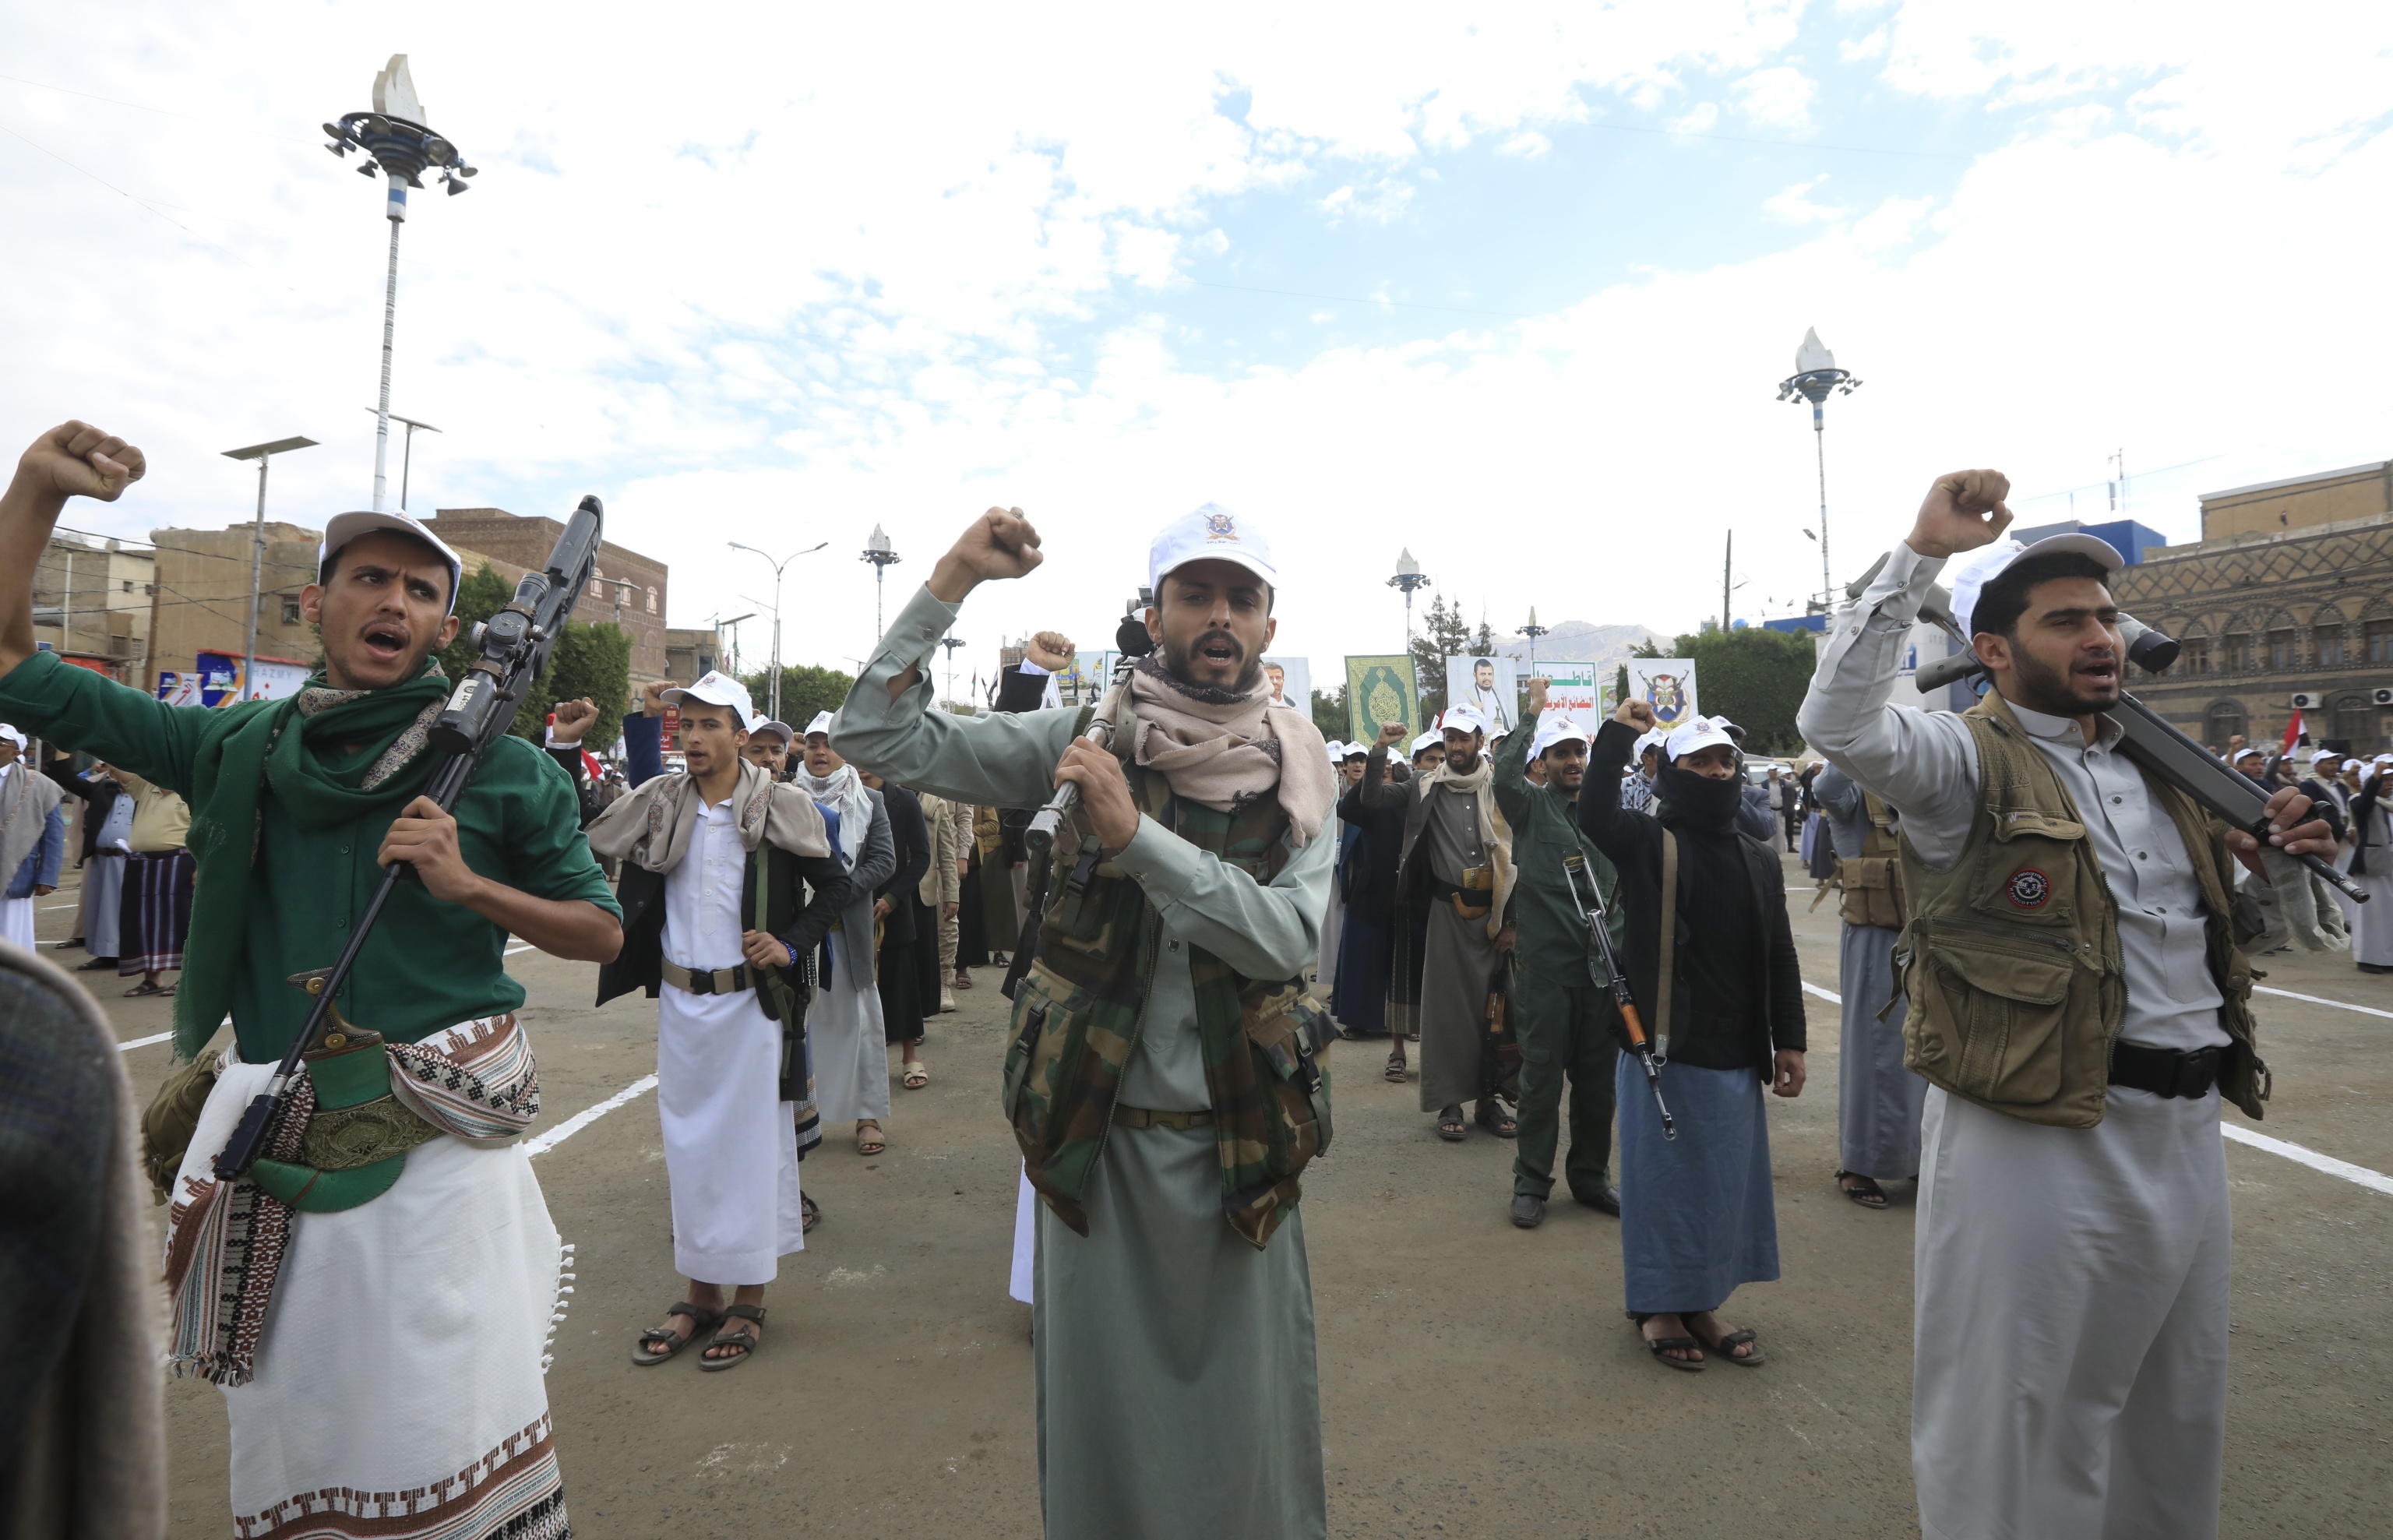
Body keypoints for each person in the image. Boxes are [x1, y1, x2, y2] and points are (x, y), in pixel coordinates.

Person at [0, 421, 624, 1538]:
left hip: (439, 1168)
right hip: (281, 1155)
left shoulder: (507, 768)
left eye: (422, 589)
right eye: (370, 578)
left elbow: (600, 932)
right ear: (314, 606)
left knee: (448, 1437)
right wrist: (35, 494)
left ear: (447, 623)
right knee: (300, 1435)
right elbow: (10, 668)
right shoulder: (234, 744)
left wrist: (469, 885)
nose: (396, 602)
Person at [1796, 469, 2335, 1540]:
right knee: (2019, 1420)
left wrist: (2286, 862)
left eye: (2106, 617)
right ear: (1994, 651)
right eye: (2065, 621)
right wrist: (1921, 552)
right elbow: (1840, 723)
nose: (2101, 637)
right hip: (2035, 1140)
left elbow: (2251, 935)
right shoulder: (1959, 761)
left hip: (2185, 1132)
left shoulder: (2165, 770)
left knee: (2174, 1418)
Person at [832, 502, 1336, 1540]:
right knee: (1104, 1447)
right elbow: (874, 734)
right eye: (1195, 593)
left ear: (1269, 628)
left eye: (1241, 597)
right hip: (1093, 1153)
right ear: (1154, 615)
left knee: (1248, 1453)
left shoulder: (1298, 771)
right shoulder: (1083, 738)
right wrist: (952, 579)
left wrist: (1139, 838)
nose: (1218, 615)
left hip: (1239, 1150)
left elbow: (1285, 939)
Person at [584, 672, 850, 1370]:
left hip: (751, 1009)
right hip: (682, 1007)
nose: (695, 737)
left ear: (742, 733)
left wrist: (790, 943)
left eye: (710, 725)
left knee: (753, 1148)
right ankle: (701, 1292)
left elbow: (841, 886)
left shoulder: (780, 807)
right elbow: (594, 825)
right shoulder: (661, 804)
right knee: (690, 1148)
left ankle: (750, 1295)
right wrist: (637, 721)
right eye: (685, 725)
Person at [1581, 702, 1805, 1370]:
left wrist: (1788, 1039)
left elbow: (1780, 950)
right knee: (1664, 1187)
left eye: (1724, 761)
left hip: (1735, 1053)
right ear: (1668, 774)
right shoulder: (1650, 844)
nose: (1715, 772)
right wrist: (1620, 731)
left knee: (1721, 1187)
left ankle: (1702, 1302)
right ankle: (1657, 1308)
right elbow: (1593, 814)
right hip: (1665, 1052)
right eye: (1698, 762)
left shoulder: (1759, 858)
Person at [1495, 682, 1622, 1227]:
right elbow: (1501, 773)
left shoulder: (1607, 814)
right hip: (1546, 970)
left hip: (1601, 972)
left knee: (1598, 1083)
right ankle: (1531, 1183)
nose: (1573, 761)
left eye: (1579, 752)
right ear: (1541, 764)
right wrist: (1532, 713)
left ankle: (1591, 1177)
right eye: (1560, 753)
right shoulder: (1528, 808)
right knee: (1541, 1080)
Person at [1373, 702, 1518, 1142]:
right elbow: (1371, 800)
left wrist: (1511, 921)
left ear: (1478, 741)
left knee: (1497, 1013)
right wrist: (1380, 750)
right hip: (1447, 915)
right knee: (1448, 1014)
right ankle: (1450, 1101)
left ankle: (1491, 1101)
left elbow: (1519, 857)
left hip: (1496, 919)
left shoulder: (1503, 789)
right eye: (1449, 739)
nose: (1455, 747)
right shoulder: (1423, 785)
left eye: (1463, 738)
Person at [1810, 762, 1923, 1208]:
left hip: (1929, 936)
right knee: (1877, 1052)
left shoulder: (1919, 801)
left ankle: (1916, 1156)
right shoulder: (1854, 801)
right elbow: (1827, 784)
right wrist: (1863, 732)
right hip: (1877, 941)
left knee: (1928, 1051)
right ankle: (1859, 1163)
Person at [795, 710, 899, 1154]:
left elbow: (884, 860)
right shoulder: (783, 797)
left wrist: (837, 892)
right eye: (814, 744)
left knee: (860, 1025)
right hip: (798, 935)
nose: (820, 753)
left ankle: (867, 1116)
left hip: (846, 934)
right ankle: (800, 1120)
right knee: (801, 1025)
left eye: (829, 745)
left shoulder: (869, 801)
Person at [1334, 728, 1421, 1050]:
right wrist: (1378, 756)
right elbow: (1349, 809)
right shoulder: (1371, 805)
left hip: (1410, 893)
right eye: (1379, 771)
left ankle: (1409, 1022)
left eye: (1389, 771)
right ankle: (1359, 1019)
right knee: (1364, 957)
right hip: (1371, 893)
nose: (1385, 777)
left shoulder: (1418, 803)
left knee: (1406, 962)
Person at [862, 766, 933, 1089]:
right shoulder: (844, 797)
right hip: (850, 903)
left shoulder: (904, 800)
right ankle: (861, 1066)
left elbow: (921, 857)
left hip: (895, 906)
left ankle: (909, 1057)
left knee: (902, 980)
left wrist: (891, 898)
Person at [40, 746, 130, 969]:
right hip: (101, 857)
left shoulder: (152, 791)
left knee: (127, 909)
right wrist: (62, 748)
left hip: (132, 860)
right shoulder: (102, 788)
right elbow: (66, 778)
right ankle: (107, 955)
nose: (115, 770)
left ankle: (134, 954)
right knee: (101, 908)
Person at [0, 724, 64, 950]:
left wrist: (47, 876)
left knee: (12, 936)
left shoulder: (38, 784)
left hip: (17, 873)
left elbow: (54, 834)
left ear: (16, 751)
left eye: (0, 743)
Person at [2352, 755, 2393, 974]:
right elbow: (2364, 803)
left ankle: (2387, 958)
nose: (2390, 784)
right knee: (2372, 915)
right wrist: (2376, 775)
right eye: (2385, 780)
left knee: (2389, 916)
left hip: (2390, 868)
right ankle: (2368, 958)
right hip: (2373, 867)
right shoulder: (2361, 802)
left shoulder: (2389, 804)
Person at [1463, 655, 1512, 732]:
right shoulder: (1467, 696)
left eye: (1490, 674)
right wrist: (1473, 711)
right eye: (1483, 674)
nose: (1487, 678)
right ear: (1475, 675)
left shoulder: (1502, 695)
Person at [1618, 729, 1662, 815]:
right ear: (1646, 758)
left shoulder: (1674, 786)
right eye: (1662, 752)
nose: (1668, 756)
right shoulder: (1625, 786)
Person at [1768, 765, 1799, 851]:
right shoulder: (1765, 784)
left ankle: (1783, 850)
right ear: (1768, 772)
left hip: (1783, 811)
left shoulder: (1784, 783)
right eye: (1772, 770)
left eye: (1775, 770)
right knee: (1771, 833)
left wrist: (1797, 775)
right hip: (1770, 811)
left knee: (1782, 833)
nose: (1774, 772)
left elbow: (1797, 784)